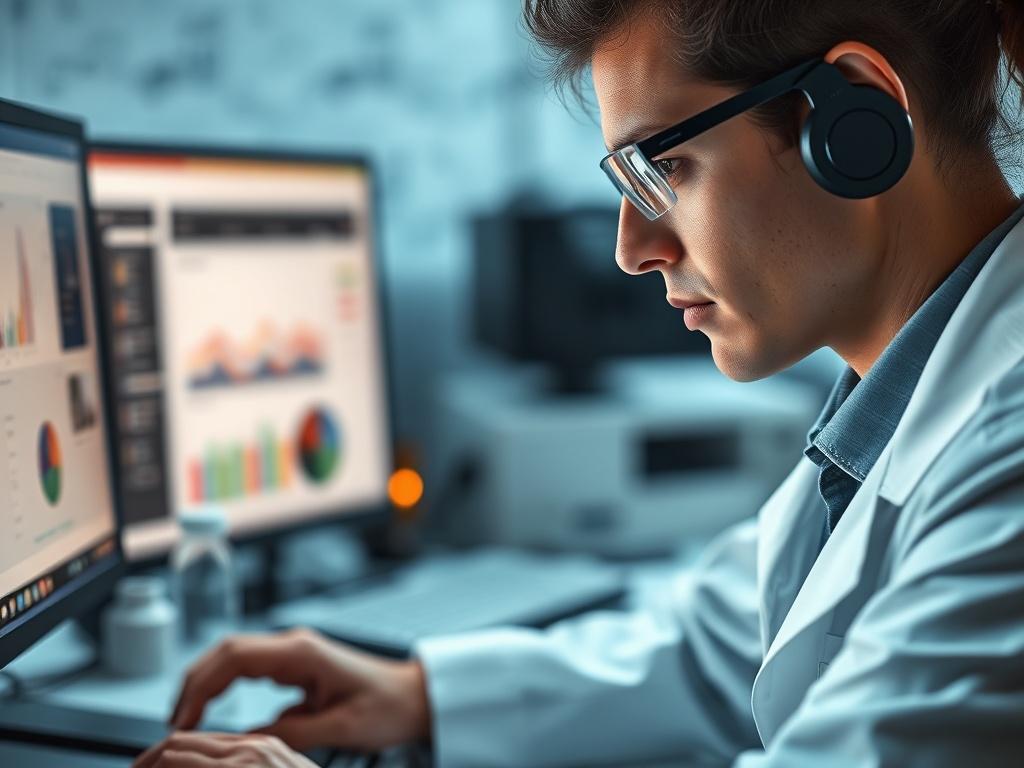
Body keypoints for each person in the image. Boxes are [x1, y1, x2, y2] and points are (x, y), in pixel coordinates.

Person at [135, 0, 1024, 766]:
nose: (632, 250)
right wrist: (421, 696)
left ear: (852, 116)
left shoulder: (1008, 446)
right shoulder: (896, 409)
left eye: (664, 168)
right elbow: (718, 648)